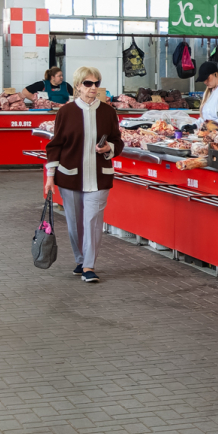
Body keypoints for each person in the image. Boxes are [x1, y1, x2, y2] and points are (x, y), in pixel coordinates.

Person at [42, 67, 123, 284]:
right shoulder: (66, 112)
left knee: (93, 221)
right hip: (70, 176)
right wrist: (50, 176)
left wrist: (109, 149)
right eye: (88, 84)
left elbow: (118, 141)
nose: (93, 88)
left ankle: (89, 265)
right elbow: (55, 145)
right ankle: (80, 259)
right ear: (78, 86)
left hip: (99, 176)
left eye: (96, 83)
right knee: (75, 223)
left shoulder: (108, 112)